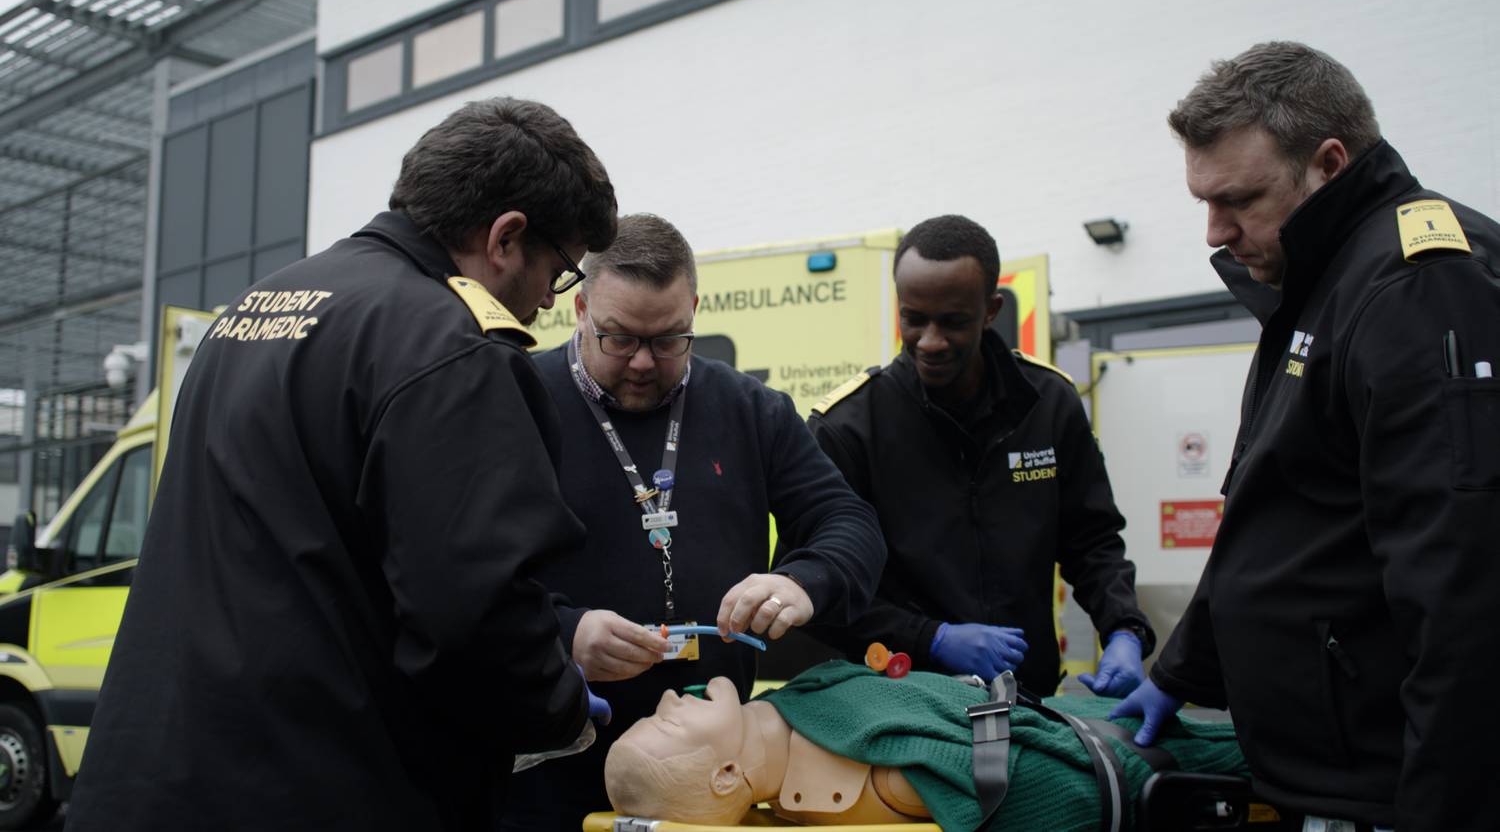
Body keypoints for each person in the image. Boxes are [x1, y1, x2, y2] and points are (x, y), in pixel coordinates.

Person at [66, 98, 618, 831]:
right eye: (557, 273)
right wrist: (559, 711)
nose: (548, 304)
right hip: (318, 791)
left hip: (154, 783)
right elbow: (470, 613)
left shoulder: (253, 309)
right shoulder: (451, 348)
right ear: (506, 237)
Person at [1110, 42, 1500, 831]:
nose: (1214, 233)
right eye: (1203, 203)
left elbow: (1463, 589)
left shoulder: (1419, 284)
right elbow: (1279, 516)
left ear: (1328, 162)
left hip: (1387, 793)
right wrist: (1181, 671)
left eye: (1240, 199)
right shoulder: (1322, 281)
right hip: (1320, 777)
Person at [497, 213, 887, 829]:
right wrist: (564, 631)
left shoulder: (750, 409)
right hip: (546, 767)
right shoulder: (512, 400)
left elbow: (848, 522)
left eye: (671, 339)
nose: (645, 363)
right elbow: (457, 574)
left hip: (708, 789)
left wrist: (800, 582)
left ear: (695, 309)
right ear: (579, 309)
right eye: (619, 338)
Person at [806, 215, 1153, 698]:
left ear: (990, 309)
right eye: (913, 318)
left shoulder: (1048, 403)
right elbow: (817, 588)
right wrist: (932, 638)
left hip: (1030, 701)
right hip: (902, 702)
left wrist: (1123, 631)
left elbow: (1092, 541)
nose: (930, 341)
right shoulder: (848, 428)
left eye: (952, 321)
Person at [603, 662, 1247, 830]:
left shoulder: (796, 711)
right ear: (725, 778)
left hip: (1069, 717)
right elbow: (1061, 792)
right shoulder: (879, 774)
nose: (665, 701)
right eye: (664, 725)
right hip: (1112, 743)